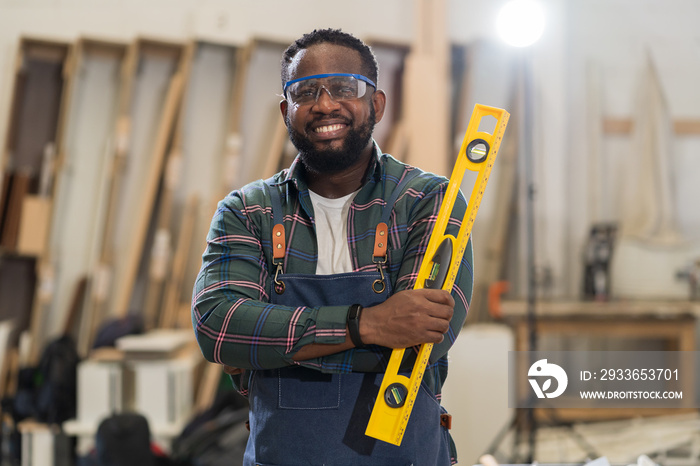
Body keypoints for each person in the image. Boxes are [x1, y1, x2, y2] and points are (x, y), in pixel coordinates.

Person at [192, 28, 472, 465]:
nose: (325, 104)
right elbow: (218, 327)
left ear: (376, 104)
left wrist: (270, 353)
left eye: (344, 87)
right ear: (287, 111)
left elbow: (421, 344)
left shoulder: (427, 201)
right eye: (306, 92)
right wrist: (367, 325)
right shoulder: (248, 210)